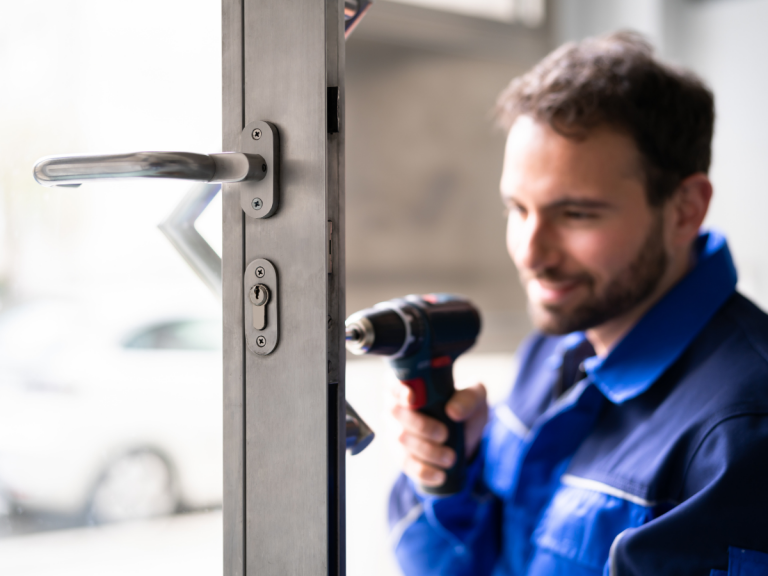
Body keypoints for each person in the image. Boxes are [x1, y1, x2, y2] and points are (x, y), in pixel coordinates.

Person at [387, 31, 768, 576]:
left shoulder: (743, 434)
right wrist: (453, 478)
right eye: (517, 209)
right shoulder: (553, 348)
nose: (531, 254)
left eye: (576, 214)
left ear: (685, 210)